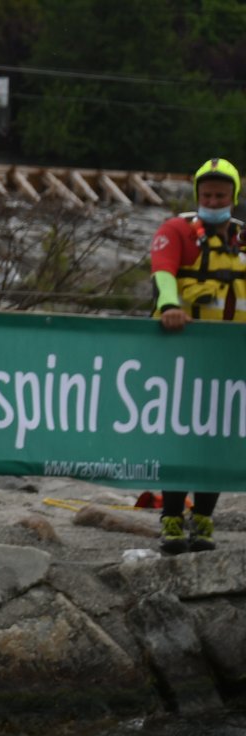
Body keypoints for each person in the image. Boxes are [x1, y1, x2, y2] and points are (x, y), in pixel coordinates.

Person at [148, 156, 246, 553]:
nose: (213, 200)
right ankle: (171, 516)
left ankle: (203, 519)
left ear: (234, 197)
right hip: (182, 354)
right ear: (197, 195)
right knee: (181, 436)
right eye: (207, 194)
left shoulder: (242, 237)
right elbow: (163, 272)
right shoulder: (178, 231)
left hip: (231, 358)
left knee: (219, 439)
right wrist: (171, 306)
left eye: (221, 195)